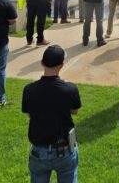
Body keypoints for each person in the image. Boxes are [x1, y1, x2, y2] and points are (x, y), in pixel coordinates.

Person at [22, 45, 82, 183]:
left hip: (39, 150)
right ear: (61, 65)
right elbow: (75, 110)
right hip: (65, 148)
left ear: (42, 63)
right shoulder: (70, 89)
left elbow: (30, 114)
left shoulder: (29, 90)